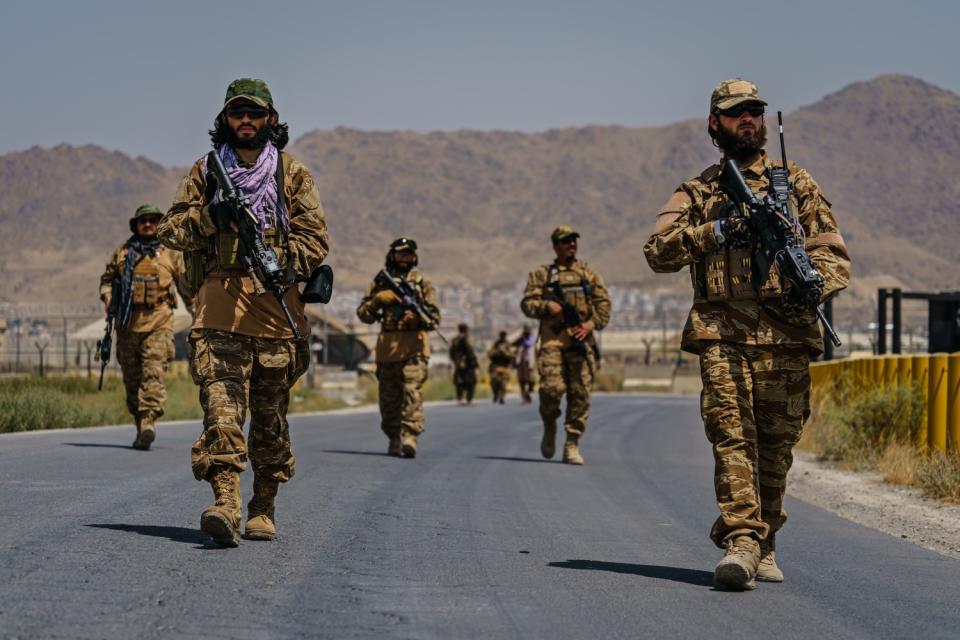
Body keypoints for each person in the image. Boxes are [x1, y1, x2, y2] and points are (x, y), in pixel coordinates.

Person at [643, 78, 850, 590]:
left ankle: (766, 539)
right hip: (723, 333)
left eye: (755, 112)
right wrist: (717, 231)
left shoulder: (795, 185)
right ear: (715, 123)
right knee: (732, 436)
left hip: (787, 334)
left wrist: (812, 282)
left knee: (777, 447)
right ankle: (741, 540)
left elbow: (834, 255)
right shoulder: (700, 191)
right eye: (737, 113)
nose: (748, 121)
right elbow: (657, 252)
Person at [157, 78, 330, 547]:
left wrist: (279, 258)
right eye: (237, 113)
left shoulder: (291, 175)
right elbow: (171, 229)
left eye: (254, 113)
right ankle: (227, 504)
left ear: (271, 120)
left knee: (270, 421)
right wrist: (213, 217)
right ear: (225, 120)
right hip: (218, 312)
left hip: (276, 315)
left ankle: (262, 507)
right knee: (222, 413)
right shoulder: (207, 173)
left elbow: (316, 239)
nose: (246, 121)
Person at [99, 204, 193, 450]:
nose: (148, 224)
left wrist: (199, 315)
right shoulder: (122, 253)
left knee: (153, 374)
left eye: (153, 220)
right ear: (136, 225)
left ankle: (149, 420)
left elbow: (187, 287)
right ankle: (140, 423)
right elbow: (107, 280)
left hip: (159, 323)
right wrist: (107, 295)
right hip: (127, 325)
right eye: (144, 221)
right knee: (132, 380)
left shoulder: (170, 253)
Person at [521, 226, 611, 465]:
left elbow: (604, 309)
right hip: (553, 342)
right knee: (551, 389)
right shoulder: (542, 275)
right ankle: (550, 424)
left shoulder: (589, 276)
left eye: (573, 240)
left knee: (580, 393)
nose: (570, 245)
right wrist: (546, 307)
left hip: (581, 343)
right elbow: (527, 304)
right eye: (565, 241)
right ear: (555, 246)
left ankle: (572, 444)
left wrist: (589, 325)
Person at [356, 237, 440, 458]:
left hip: (415, 348)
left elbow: (434, 318)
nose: (404, 258)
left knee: (412, 392)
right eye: (400, 253)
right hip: (388, 349)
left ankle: (410, 436)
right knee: (389, 397)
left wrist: (417, 317)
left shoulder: (423, 284)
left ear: (414, 257)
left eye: (408, 254)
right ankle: (394, 437)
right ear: (392, 255)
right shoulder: (380, 283)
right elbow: (363, 315)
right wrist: (377, 301)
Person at [449, 323, 479, 405]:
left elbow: (451, 353)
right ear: (466, 329)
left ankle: (460, 399)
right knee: (471, 382)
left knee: (459, 382)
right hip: (468, 364)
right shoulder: (467, 338)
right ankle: (469, 400)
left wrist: (455, 360)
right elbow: (470, 352)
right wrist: (475, 364)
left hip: (458, 364)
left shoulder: (455, 340)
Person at [487, 330, 513, 404]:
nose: (502, 337)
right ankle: (496, 394)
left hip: (504, 367)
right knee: (494, 383)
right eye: (501, 335)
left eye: (503, 336)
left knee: (503, 383)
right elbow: (490, 354)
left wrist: (505, 353)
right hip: (495, 366)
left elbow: (512, 355)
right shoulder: (496, 344)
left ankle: (502, 396)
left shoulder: (508, 344)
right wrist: (497, 352)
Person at [512, 324, 536, 403]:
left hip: (529, 363)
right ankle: (524, 397)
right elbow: (512, 344)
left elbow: (529, 343)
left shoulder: (531, 338)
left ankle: (528, 393)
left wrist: (523, 338)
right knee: (521, 381)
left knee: (530, 380)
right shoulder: (521, 339)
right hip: (521, 363)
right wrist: (519, 338)